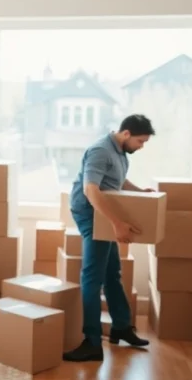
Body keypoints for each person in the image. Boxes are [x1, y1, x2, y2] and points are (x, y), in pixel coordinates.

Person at [63, 114, 155, 363]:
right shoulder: (100, 151)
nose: (141, 146)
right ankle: (92, 342)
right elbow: (90, 189)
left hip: (102, 214)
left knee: (112, 272)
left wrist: (139, 192)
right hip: (91, 215)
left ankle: (121, 328)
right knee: (92, 277)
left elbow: (117, 180)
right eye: (140, 141)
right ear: (126, 134)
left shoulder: (120, 153)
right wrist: (117, 223)